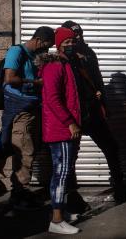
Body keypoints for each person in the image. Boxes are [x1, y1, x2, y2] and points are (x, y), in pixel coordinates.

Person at [61, 21, 126, 205]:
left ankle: (119, 188)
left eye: (79, 35)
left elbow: (97, 78)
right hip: (75, 114)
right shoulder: (63, 59)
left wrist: (102, 100)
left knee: (111, 147)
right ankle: (71, 196)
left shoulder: (88, 54)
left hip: (92, 111)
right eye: (73, 37)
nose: (77, 39)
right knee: (70, 155)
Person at [2, 26, 54, 210]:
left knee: (30, 150)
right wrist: (34, 82)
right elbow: (10, 78)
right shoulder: (17, 51)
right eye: (47, 45)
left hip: (33, 109)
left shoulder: (34, 56)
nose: (47, 49)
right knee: (25, 151)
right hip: (21, 111)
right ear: (39, 40)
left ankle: (22, 193)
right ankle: (19, 196)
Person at [38, 27, 82, 234]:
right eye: (67, 42)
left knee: (63, 172)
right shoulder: (55, 65)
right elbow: (53, 99)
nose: (71, 44)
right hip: (60, 129)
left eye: (73, 41)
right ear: (58, 43)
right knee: (61, 173)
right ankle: (56, 220)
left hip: (64, 128)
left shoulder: (65, 63)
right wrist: (69, 122)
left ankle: (61, 213)